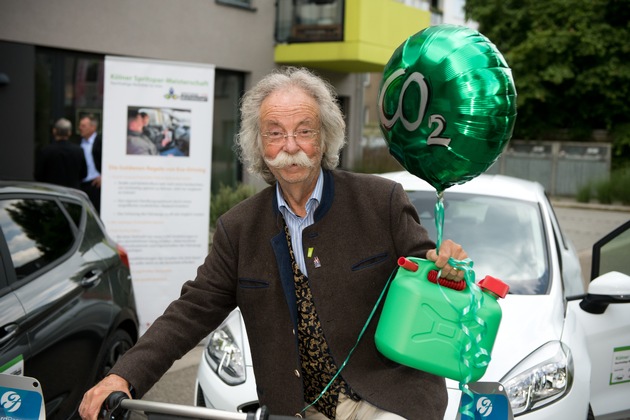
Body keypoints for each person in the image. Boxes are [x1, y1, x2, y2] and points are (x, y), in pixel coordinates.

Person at [79, 67, 467, 420]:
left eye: (305, 130)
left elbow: (431, 280)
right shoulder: (238, 228)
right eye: (275, 132)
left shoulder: (380, 201)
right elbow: (191, 310)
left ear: (325, 136)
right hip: (296, 410)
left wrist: (449, 269)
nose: (290, 145)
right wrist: (122, 376)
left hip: (384, 401)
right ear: (258, 144)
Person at [34, 118, 87, 189]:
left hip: (51, 191)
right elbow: (83, 174)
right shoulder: (78, 151)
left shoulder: (46, 151)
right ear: (69, 133)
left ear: (54, 131)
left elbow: (38, 175)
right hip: (72, 194)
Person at [78, 114, 102, 213]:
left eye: (83, 126)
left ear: (93, 127)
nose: (80, 128)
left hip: (96, 185)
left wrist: (104, 176)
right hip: (81, 184)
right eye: (80, 125)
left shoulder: (101, 141)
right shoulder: (79, 142)